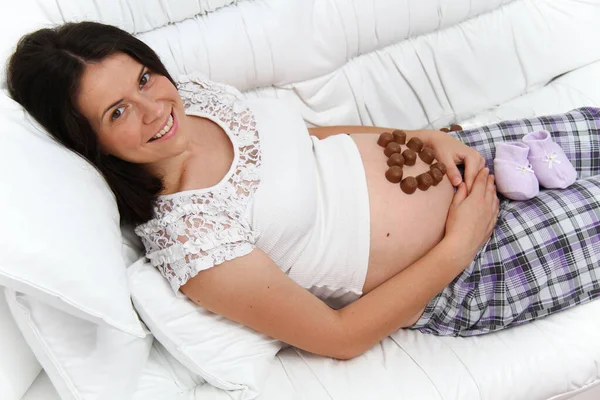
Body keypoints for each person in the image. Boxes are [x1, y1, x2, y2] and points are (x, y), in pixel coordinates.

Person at [6, 21, 600, 360]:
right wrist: (459, 244)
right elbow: (337, 338)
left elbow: (309, 135)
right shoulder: (191, 241)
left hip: (463, 160)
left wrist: (422, 135)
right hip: (468, 266)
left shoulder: (195, 98)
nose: (154, 107)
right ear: (90, 143)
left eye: (143, 77)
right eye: (117, 112)